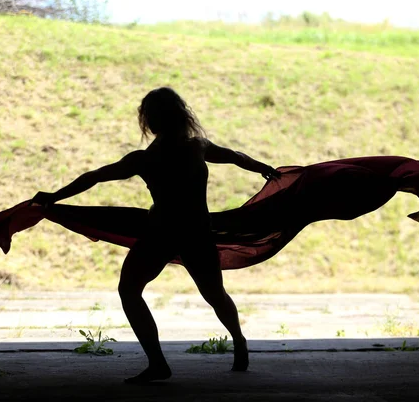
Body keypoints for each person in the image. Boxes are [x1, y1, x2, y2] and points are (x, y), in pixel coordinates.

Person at [32, 87, 280, 383]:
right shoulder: (195, 147)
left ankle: (162, 363)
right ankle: (237, 342)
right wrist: (264, 169)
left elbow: (95, 176)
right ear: (182, 115)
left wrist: (55, 196)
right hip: (192, 232)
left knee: (132, 291)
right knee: (213, 294)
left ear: (149, 122)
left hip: (163, 232)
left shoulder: (146, 159)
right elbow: (236, 157)